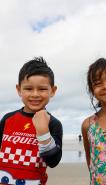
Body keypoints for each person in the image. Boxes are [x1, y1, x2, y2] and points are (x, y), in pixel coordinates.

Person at [0, 57, 63, 185]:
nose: (35, 94)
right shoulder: (8, 119)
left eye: (42, 89)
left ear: (53, 91)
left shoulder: (54, 124)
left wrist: (43, 132)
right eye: (28, 89)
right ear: (19, 90)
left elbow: (53, 162)